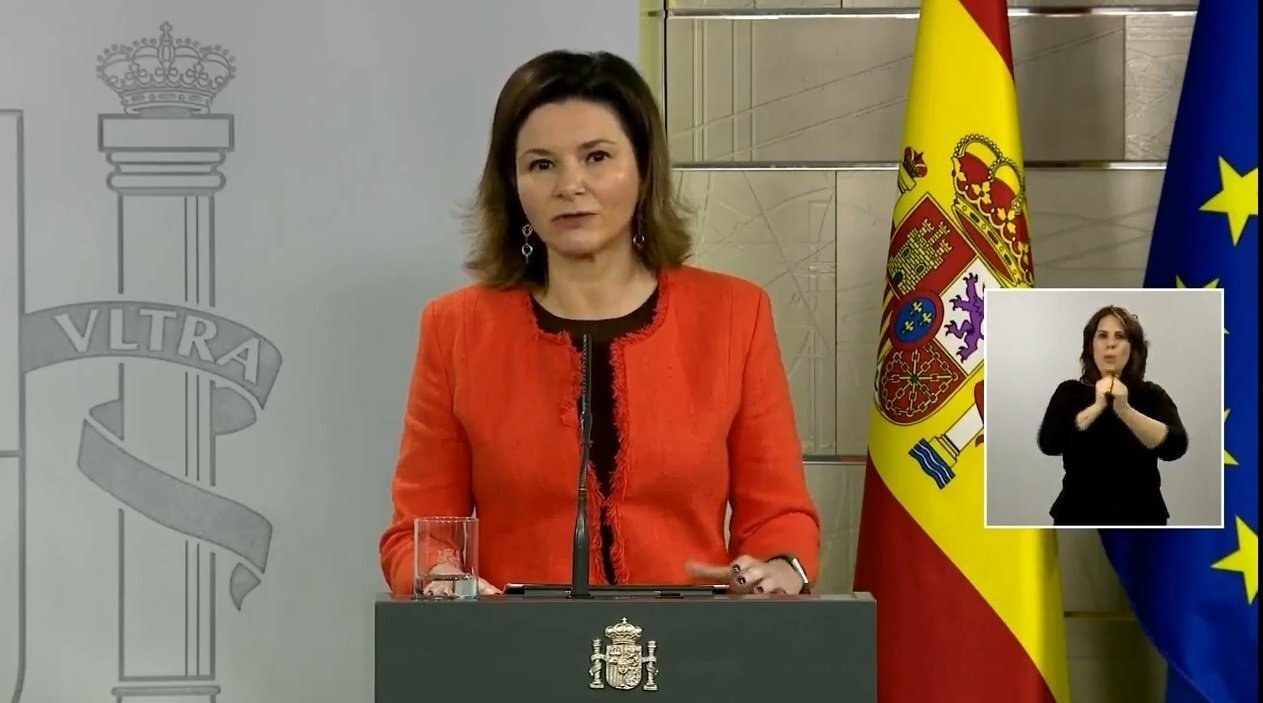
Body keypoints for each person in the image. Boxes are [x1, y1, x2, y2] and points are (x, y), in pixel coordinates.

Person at [378, 50, 820, 597]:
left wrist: (780, 566)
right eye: (542, 165)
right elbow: (418, 535)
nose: (570, 185)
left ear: (644, 169)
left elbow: (779, 517)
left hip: (689, 642)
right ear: (512, 185)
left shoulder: (734, 315)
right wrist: (439, 572)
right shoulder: (455, 329)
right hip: (516, 642)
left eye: (596, 157)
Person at [1036, 305, 1188, 526]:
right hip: (1077, 516)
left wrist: (1125, 410)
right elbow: (1050, 444)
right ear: (1091, 345)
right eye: (1102, 336)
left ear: (1132, 348)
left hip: (1142, 519)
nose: (1110, 344)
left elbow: (1175, 447)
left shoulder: (1151, 394)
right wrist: (1097, 407)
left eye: (1120, 336)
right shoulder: (1069, 392)